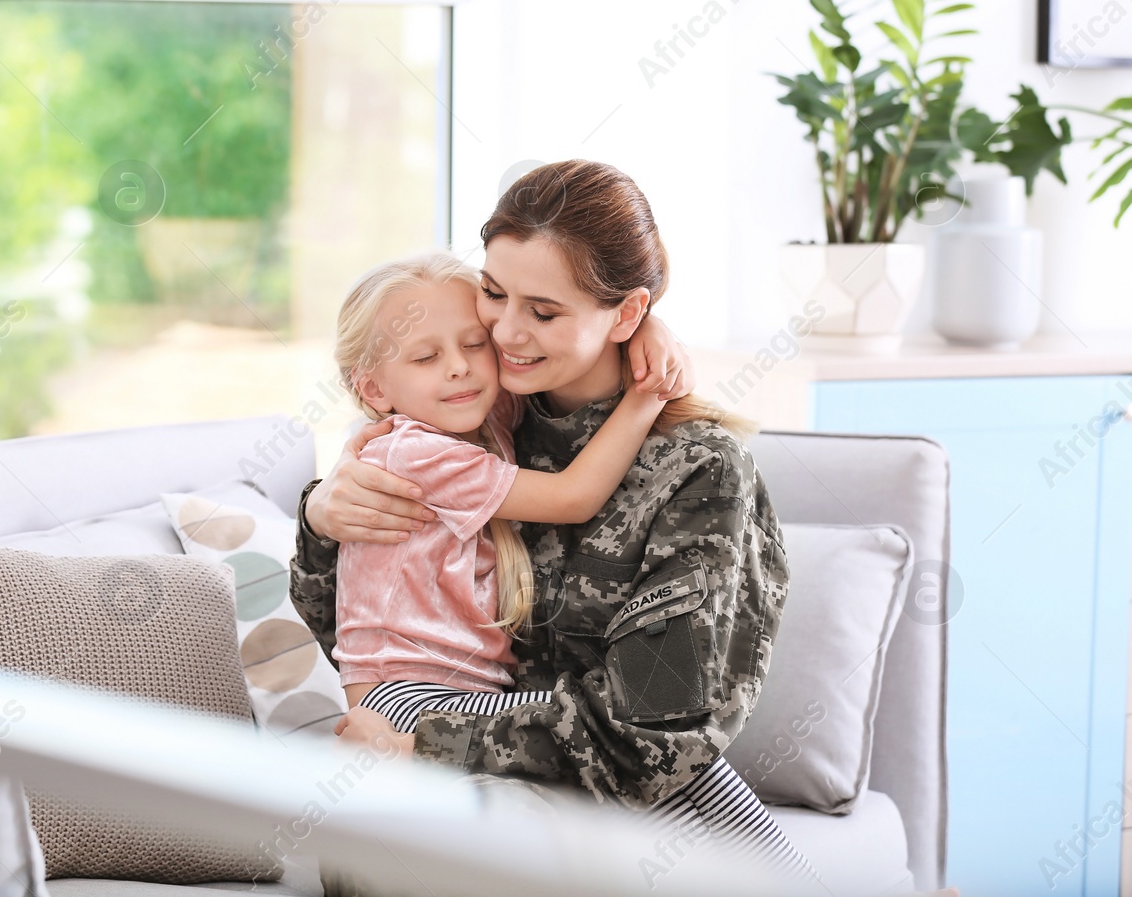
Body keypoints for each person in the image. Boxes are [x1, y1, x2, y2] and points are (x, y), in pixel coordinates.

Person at [291, 160, 818, 892]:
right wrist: (323, 516)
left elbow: (648, 740)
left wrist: (423, 746)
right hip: (452, 771)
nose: (503, 333)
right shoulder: (481, 415)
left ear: (626, 315)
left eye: (543, 312)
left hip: (597, 802)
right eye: (494, 293)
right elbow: (345, 626)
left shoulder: (698, 471)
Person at [328, 249, 673, 729]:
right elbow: (572, 498)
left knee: (644, 755)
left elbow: (568, 350)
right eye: (426, 357)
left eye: (474, 344)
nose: (459, 367)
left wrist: (640, 327)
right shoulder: (413, 453)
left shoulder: (481, 419)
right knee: (615, 729)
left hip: (461, 690)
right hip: (405, 696)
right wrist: (650, 391)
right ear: (374, 390)